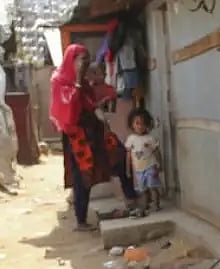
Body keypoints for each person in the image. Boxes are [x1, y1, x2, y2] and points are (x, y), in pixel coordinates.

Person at [50, 44, 143, 230]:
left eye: (87, 58)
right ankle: (81, 220)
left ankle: (132, 200)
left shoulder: (85, 83)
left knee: (119, 156)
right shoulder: (59, 81)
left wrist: (103, 118)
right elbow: (69, 111)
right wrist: (77, 80)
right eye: (82, 59)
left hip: (95, 131)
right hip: (77, 137)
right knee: (83, 176)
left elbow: (90, 105)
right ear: (72, 60)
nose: (85, 63)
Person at [124, 108, 165, 212]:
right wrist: (128, 170)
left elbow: (156, 152)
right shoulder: (131, 139)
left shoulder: (150, 139)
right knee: (143, 189)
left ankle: (156, 204)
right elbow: (128, 155)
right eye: (137, 123)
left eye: (143, 123)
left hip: (151, 166)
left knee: (152, 186)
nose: (140, 126)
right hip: (138, 169)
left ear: (147, 124)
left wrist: (160, 164)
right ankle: (146, 204)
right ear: (132, 124)